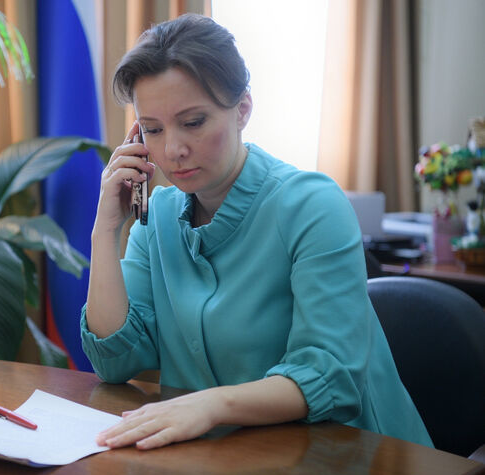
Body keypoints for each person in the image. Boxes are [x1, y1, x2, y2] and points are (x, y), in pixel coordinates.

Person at [80, 13, 432, 451]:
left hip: (351, 458)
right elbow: (115, 362)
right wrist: (105, 229)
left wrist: (209, 406)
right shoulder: (158, 218)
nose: (172, 149)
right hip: (223, 460)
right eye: (152, 129)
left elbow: (330, 375)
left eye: (193, 122)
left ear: (243, 109)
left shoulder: (312, 205)